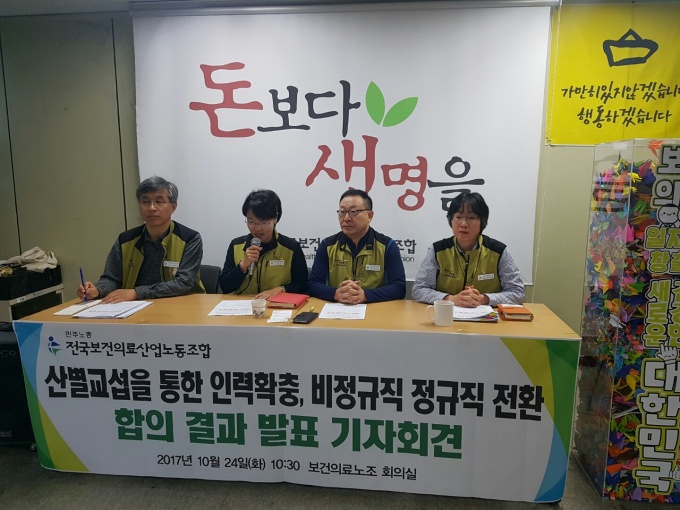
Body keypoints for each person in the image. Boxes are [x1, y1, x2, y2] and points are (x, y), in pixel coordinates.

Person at [78, 176, 205, 303]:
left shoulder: (190, 239)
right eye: (145, 202)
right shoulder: (125, 240)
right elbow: (112, 279)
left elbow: (183, 283)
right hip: (133, 307)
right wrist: (97, 289)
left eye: (159, 201)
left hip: (179, 305)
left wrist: (137, 293)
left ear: (173, 207)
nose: (151, 208)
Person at [412, 191, 524, 307]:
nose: (463, 224)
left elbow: (517, 292)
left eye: (471, 217)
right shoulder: (437, 250)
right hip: (446, 313)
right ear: (451, 220)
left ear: (482, 221)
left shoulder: (499, 251)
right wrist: (451, 299)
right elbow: (419, 289)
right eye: (458, 217)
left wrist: (484, 299)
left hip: (487, 315)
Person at [308, 189, 406, 304]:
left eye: (353, 211)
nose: (346, 218)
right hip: (337, 308)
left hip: (374, 307)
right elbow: (313, 284)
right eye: (342, 212)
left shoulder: (386, 246)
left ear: (369, 216)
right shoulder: (328, 245)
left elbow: (399, 288)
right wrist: (336, 293)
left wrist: (365, 295)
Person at [219, 189, 307, 299]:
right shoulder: (236, 245)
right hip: (245, 305)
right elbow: (225, 286)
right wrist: (243, 266)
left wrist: (281, 289)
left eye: (263, 222)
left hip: (277, 305)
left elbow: (303, 285)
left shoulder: (291, 248)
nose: (257, 228)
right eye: (251, 221)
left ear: (275, 219)